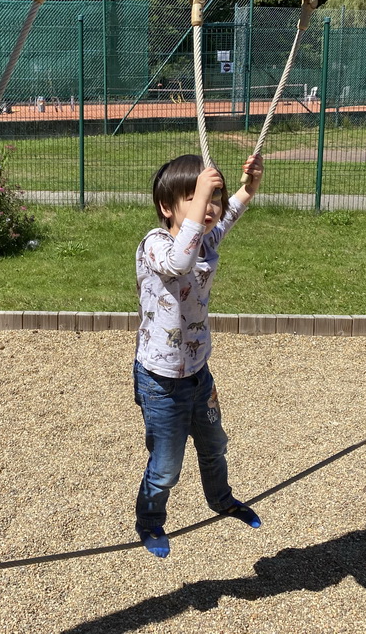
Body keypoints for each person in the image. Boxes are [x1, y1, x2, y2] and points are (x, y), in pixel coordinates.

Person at [133, 151, 264, 558]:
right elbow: (178, 262)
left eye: (212, 198)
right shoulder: (156, 245)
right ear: (166, 207)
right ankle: (150, 521)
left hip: (198, 374)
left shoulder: (205, 235)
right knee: (167, 466)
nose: (209, 208)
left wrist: (247, 188)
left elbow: (228, 217)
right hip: (161, 382)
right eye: (196, 198)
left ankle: (221, 498)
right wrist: (205, 197)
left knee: (214, 445)